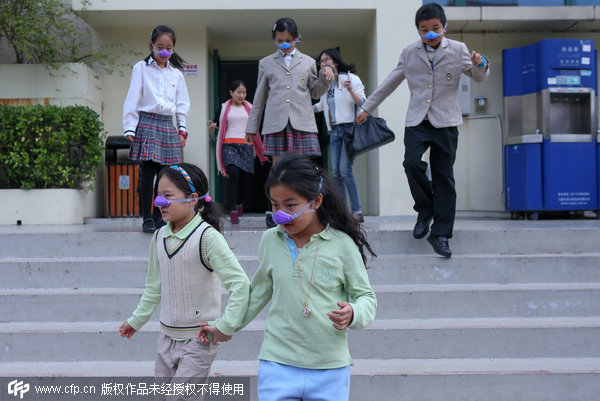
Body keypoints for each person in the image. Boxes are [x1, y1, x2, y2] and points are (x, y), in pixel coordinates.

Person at [200, 152, 377, 401]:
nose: (280, 214)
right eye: (275, 205)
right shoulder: (270, 240)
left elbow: (366, 297)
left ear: (316, 202)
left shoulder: (343, 245)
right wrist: (227, 326)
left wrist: (354, 313)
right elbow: (257, 293)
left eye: (290, 205)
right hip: (278, 364)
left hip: (330, 368)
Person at [356, 3, 490, 258]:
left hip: (447, 122)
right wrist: (367, 107)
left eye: (435, 28)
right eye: (424, 29)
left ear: (444, 27)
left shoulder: (458, 49)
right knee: (411, 163)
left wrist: (481, 62)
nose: (430, 33)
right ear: (418, 30)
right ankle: (425, 208)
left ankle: (440, 235)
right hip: (417, 120)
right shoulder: (409, 52)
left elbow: (478, 76)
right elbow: (390, 81)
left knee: (443, 177)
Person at [118, 163, 250, 396]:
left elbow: (240, 285)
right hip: (166, 339)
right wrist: (136, 320)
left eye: (168, 196)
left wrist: (226, 325)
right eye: (158, 196)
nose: (159, 203)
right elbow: (153, 288)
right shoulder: (159, 237)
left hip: (199, 341)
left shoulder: (208, 238)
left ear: (193, 199)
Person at [245, 17, 336, 228]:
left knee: (304, 169)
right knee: (278, 170)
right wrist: (251, 128)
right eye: (279, 40)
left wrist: (326, 78)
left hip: (302, 122)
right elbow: (259, 98)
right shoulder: (266, 63)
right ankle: (274, 209)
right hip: (276, 123)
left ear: (297, 38)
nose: (284, 44)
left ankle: (306, 207)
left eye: (288, 40)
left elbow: (315, 91)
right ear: (274, 40)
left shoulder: (308, 62)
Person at [123, 25, 190, 233]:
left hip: (167, 125)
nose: (164, 51)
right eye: (159, 46)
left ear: (173, 48)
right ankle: (147, 219)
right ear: (150, 45)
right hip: (147, 122)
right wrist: (130, 128)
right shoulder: (140, 68)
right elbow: (132, 98)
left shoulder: (177, 74)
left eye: (169, 47)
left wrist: (182, 128)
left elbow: (182, 103)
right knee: (148, 173)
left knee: (165, 176)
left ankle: (158, 216)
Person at [313, 49, 367, 224]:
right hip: (334, 131)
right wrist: (300, 107)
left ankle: (357, 211)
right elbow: (320, 107)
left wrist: (351, 90)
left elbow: (364, 103)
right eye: (320, 61)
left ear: (335, 62)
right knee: (336, 173)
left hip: (350, 129)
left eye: (326, 60)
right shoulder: (326, 85)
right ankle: (342, 211)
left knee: (345, 170)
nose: (323, 64)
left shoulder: (351, 79)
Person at [209, 80, 268, 224]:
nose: (242, 95)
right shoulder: (223, 108)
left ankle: (240, 203)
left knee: (245, 180)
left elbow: (255, 127)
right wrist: (212, 127)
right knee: (233, 174)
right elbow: (215, 124)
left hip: (247, 146)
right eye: (238, 92)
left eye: (244, 92)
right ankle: (233, 208)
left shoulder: (250, 107)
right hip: (229, 146)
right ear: (231, 93)